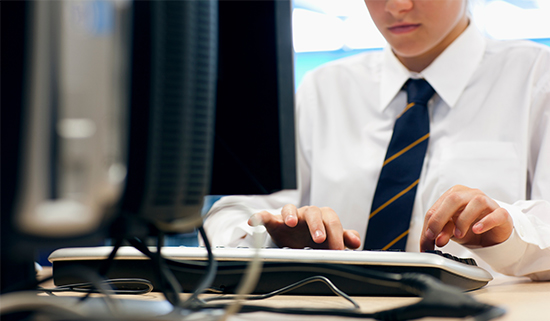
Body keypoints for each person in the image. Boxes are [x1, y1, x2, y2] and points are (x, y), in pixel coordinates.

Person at [202, 0, 550, 280]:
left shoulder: (537, 79)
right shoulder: (323, 89)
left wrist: (506, 231)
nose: (396, 7)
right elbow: (226, 217)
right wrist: (276, 230)